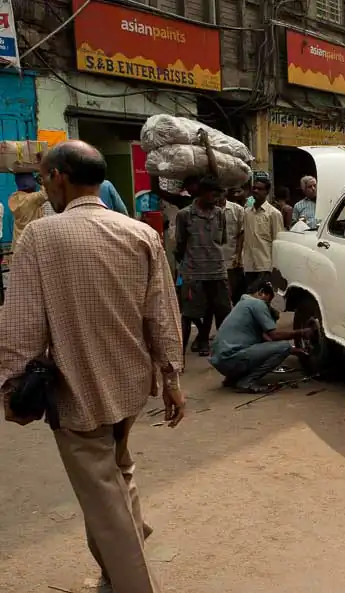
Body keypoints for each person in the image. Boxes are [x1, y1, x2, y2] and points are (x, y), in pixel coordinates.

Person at [0, 140, 185, 593]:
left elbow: (21, 321)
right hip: (129, 388)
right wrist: (172, 378)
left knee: (103, 494)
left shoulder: (41, 237)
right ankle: (117, 562)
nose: (44, 187)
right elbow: (161, 314)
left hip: (78, 391)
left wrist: (9, 384)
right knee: (116, 474)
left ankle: (136, 583)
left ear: (61, 176)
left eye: (44, 178)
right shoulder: (141, 234)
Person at [210, 280, 313, 393]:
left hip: (221, 361)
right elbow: (274, 336)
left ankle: (233, 378)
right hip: (231, 359)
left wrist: (295, 351)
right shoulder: (257, 303)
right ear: (261, 292)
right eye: (268, 301)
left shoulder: (242, 304)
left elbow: (266, 341)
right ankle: (247, 381)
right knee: (284, 346)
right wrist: (302, 332)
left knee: (283, 348)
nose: (267, 305)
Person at [174, 175, 231, 357]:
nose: (216, 200)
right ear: (204, 193)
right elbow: (180, 245)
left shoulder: (220, 214)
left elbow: (221, 240)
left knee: (221, 311)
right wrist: (190, 263)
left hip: (217, 271)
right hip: (194, 273)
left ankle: (219, 348)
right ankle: (179, 356)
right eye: (214, 195)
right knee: (189, 314)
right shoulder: (184, 215)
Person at [239, 177, 284, 288]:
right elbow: (243, 236)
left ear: (266, 191)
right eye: (254, 188)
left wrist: (275, 266)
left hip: (265, 265)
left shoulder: (274, 213)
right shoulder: (247, 212)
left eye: (260, 189)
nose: (256, 191)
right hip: (249, 264)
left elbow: (277, 242)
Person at [8, 172, 48, 251]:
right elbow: (46, 194)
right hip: (30, 240)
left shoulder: (13, 198)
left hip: (18, 241)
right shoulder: (31, 198)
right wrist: (42, 182)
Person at [221, 188, 246, 305]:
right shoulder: (210, 210)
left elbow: (242, 233)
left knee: (236, 293)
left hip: (232, 258)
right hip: (215, 259)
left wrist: (238, 256)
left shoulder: (237, 210)